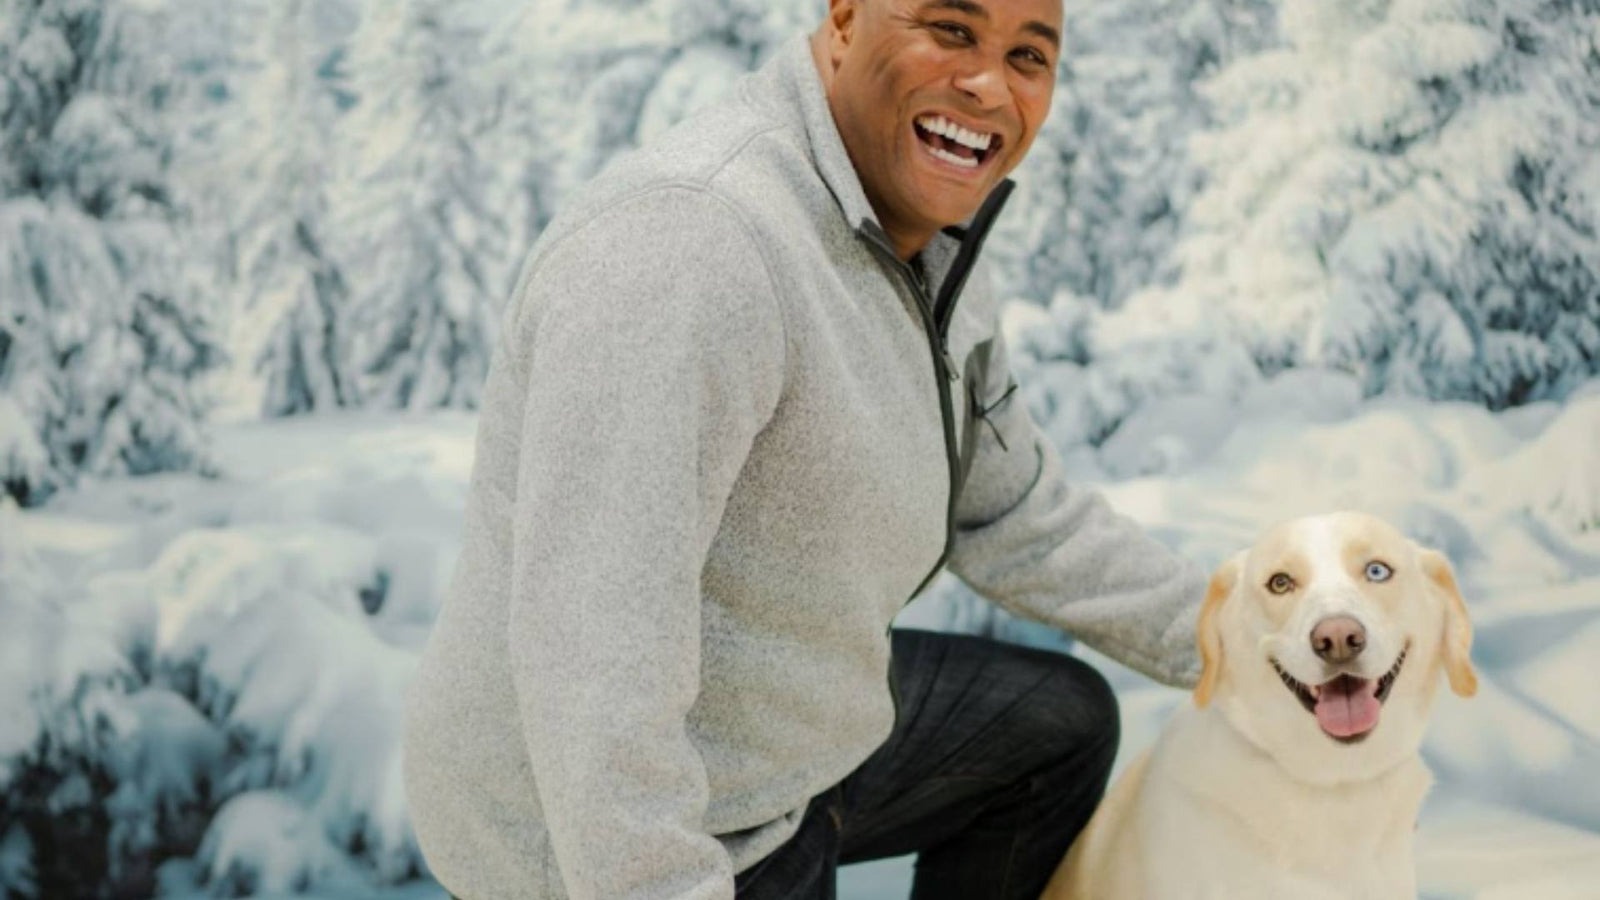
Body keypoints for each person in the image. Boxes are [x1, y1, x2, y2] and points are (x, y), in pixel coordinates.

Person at [402, 1, 1207, 898]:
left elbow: (1013, 510)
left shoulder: (923, 237)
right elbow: (593, 656)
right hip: (613, 828)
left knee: (1052, 725)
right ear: (845, 19)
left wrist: (1254, 640)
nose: (987, 83)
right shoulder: (691, 246)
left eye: (1027, 54)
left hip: (788, 740)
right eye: (949, 29)